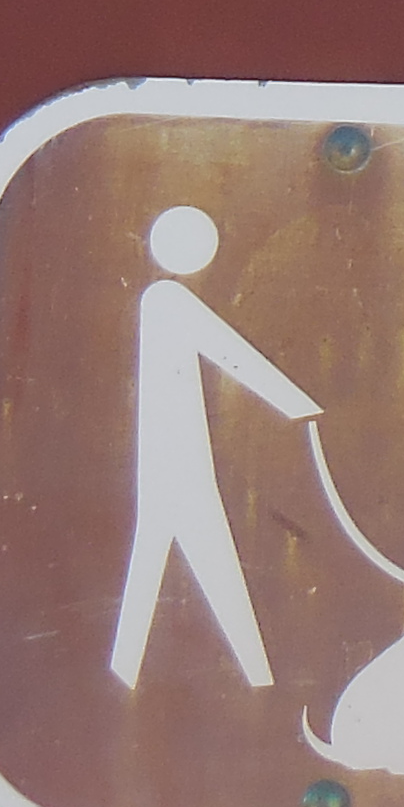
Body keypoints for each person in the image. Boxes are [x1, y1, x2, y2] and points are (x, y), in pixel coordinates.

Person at [109, 203, 329, 690]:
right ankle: (257, 679)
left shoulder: (161, 299)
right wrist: (297, 405)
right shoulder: (168, 298)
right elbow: (230, 353)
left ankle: (124, 674)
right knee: (198, 557)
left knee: (163, 559)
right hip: (178, 465)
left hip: (173, 464)